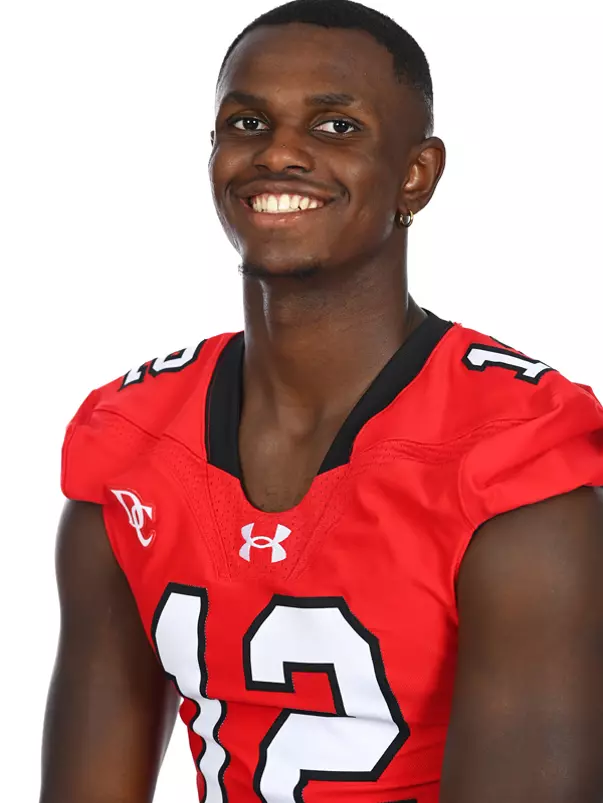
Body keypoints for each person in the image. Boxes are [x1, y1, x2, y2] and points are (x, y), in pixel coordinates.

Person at [39, 1, 603, 801]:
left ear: (415, 174)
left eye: (336, 127)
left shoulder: (509, 458)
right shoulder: (132, 441)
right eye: (246, 123)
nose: (277, 153)